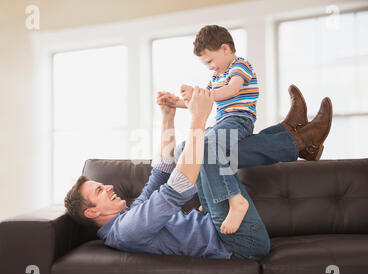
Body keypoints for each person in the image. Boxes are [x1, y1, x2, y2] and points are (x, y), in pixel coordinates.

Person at [64, 85, 333, 261]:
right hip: (238, 242)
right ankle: (296, 140)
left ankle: (289, 133)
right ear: (92, 212)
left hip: (224, 228)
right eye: (99, 191)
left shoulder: (128, 216)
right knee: (203, 146)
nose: (109, 187)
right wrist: (198, 119)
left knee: (190, 149)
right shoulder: (127, 230)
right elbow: (177, 187)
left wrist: (168, 116)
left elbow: (161, 173)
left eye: (103, 185)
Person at [162, 25, 259, 235]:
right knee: (186, 149)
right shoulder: (215, 78)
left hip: (239, 119)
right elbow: (199, 103)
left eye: (210, 61)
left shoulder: (239, 66)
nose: (209, 67)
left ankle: (236, 200)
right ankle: (206, 201)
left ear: (225, 49)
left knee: (206, 144)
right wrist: (176, 102)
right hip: (222, 122)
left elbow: (232, 90)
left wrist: (200, 94)